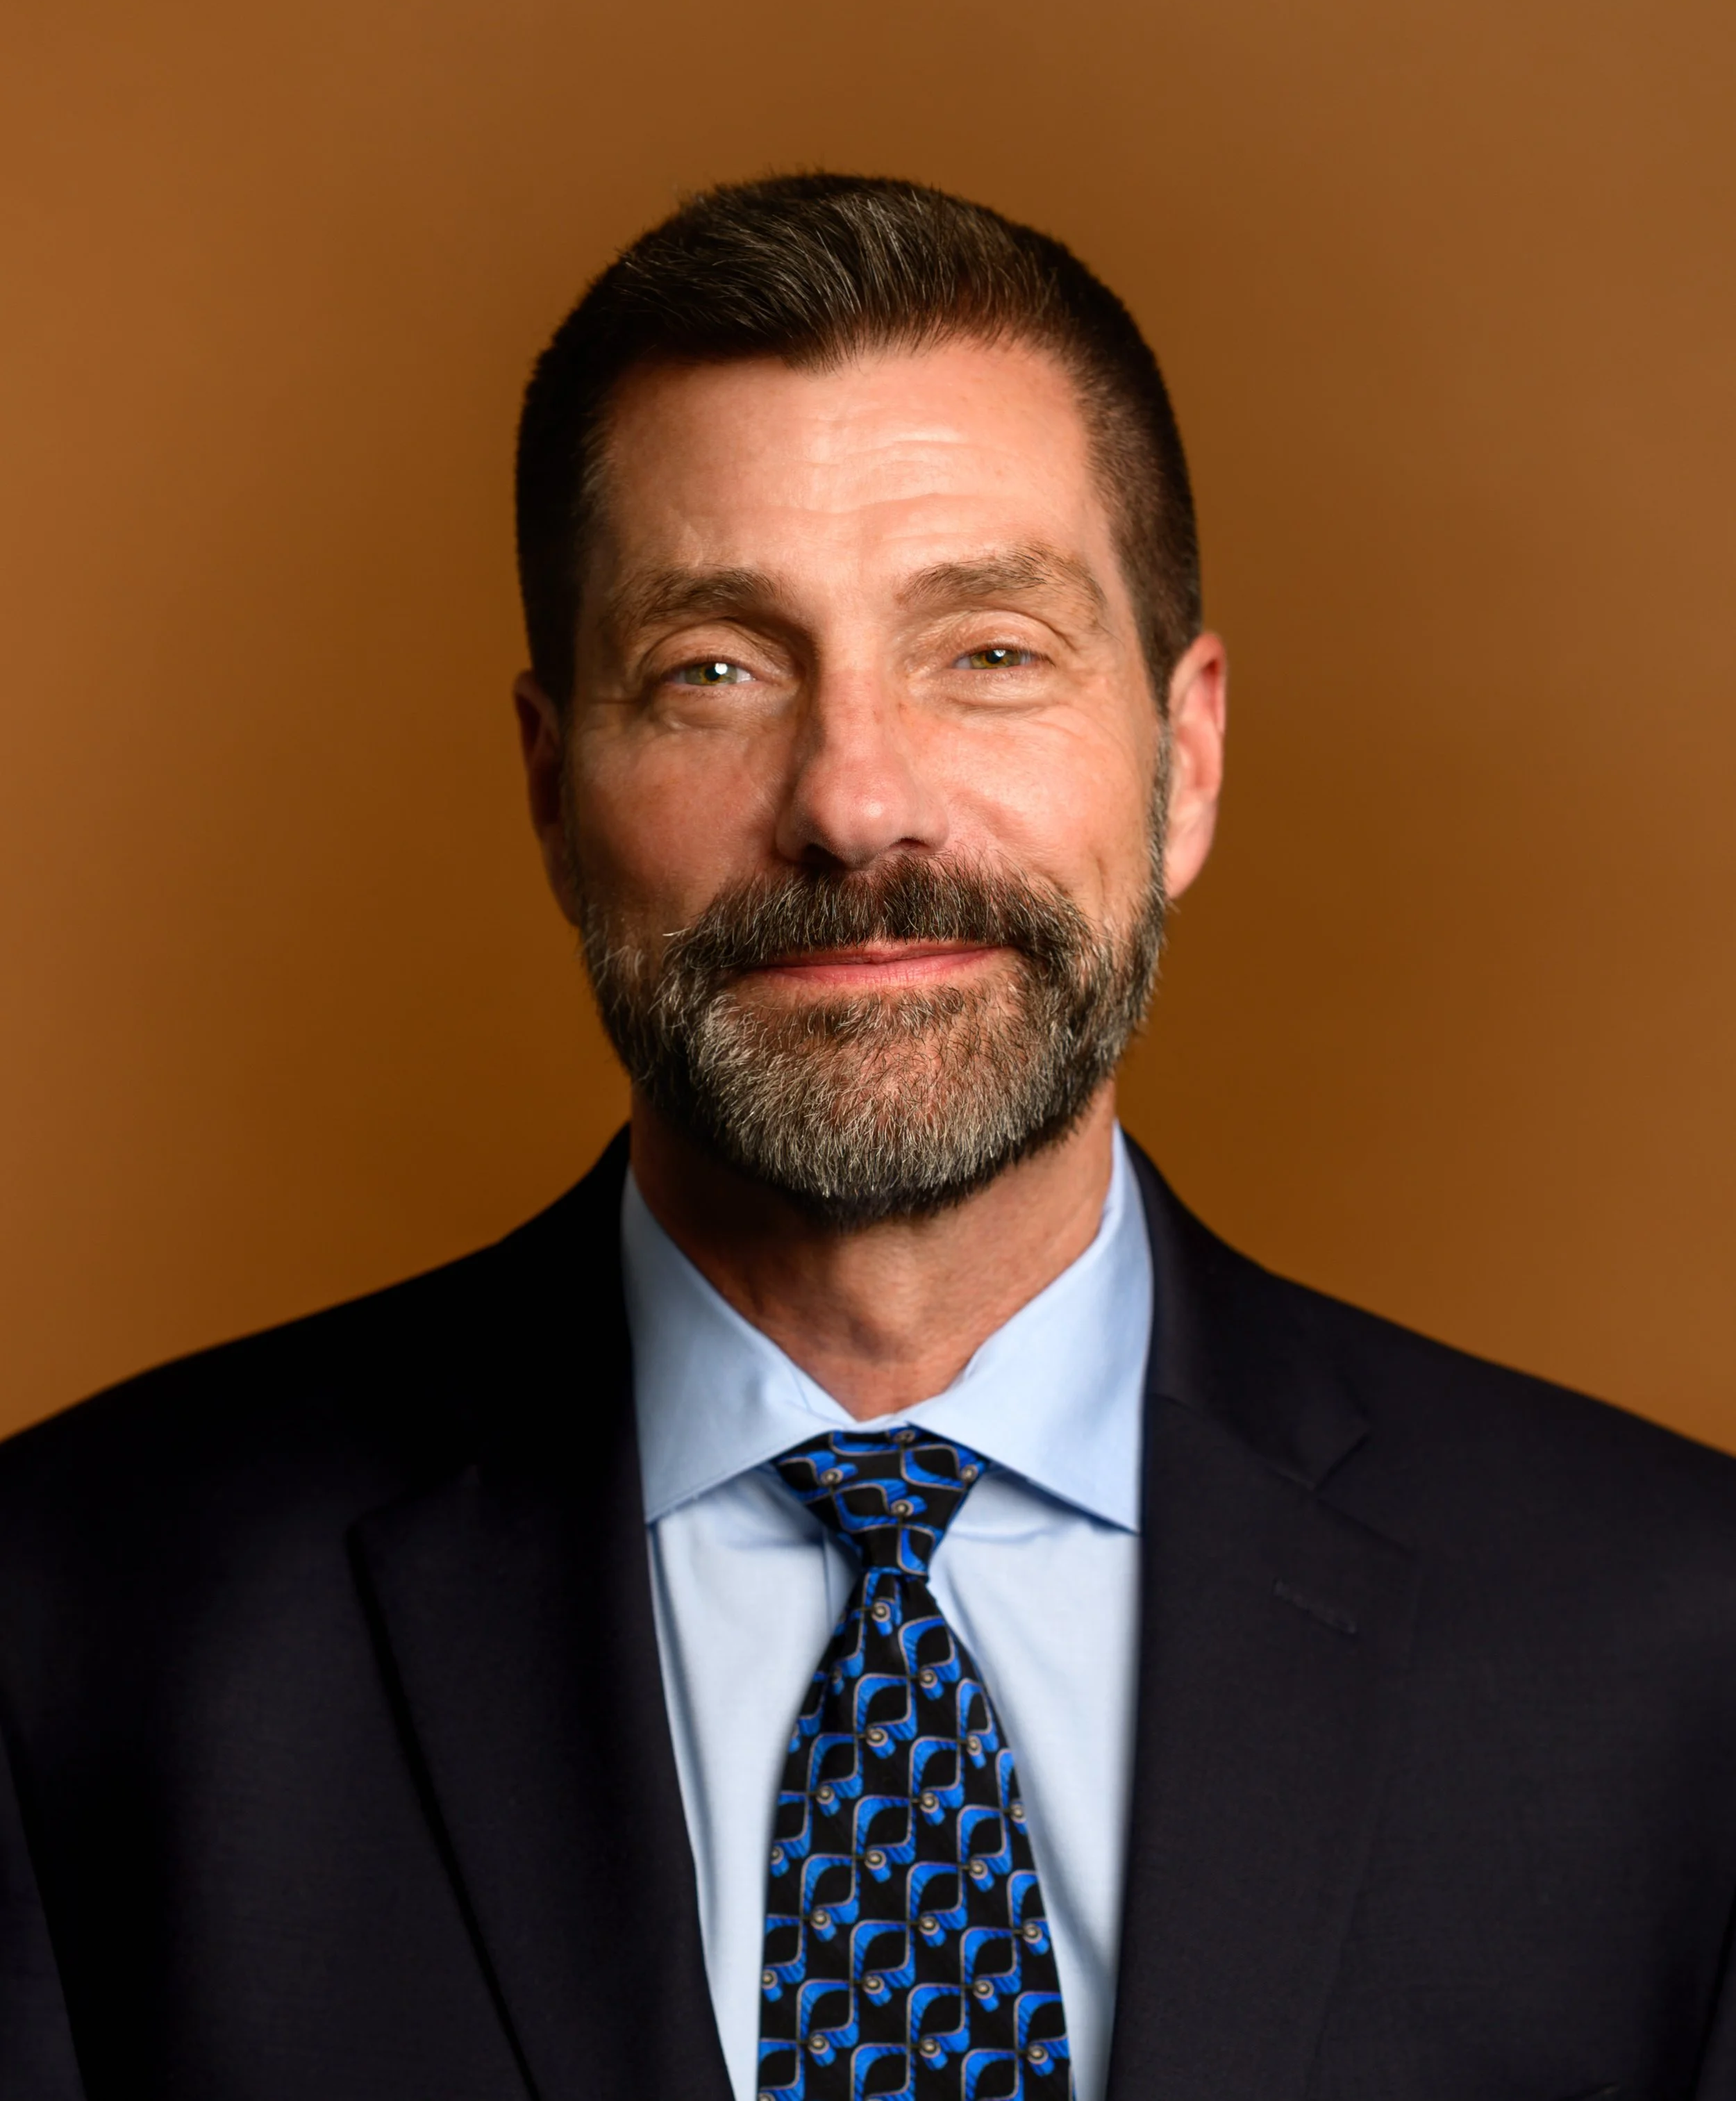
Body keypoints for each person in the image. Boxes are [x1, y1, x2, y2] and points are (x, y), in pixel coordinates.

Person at [1, 173, 1733, 2101]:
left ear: (1185, 759)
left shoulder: (1676, 1643)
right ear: (553, 790)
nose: (853, 800)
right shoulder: (71, 1624)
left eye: (987, 650)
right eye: (713, 670)